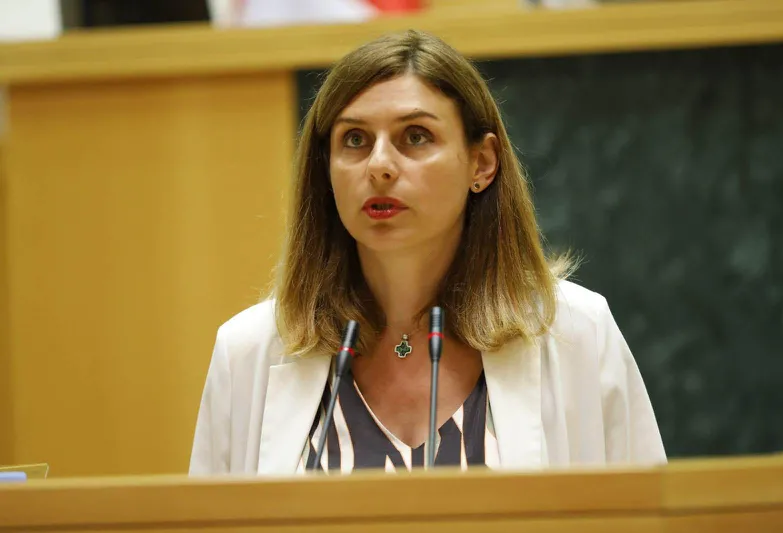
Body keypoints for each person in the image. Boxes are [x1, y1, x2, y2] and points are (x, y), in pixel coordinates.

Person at [188, 29, 666, 476]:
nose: (379, 165)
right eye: (354, 140)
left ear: (481, 163)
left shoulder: (578, 333)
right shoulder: (246, 352)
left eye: (415, 136)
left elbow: (648, 517)